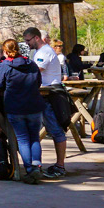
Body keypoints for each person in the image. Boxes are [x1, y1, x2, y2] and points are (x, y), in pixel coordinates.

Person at [0, 39, 49, 184]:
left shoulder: (6, 65)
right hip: (34, 106)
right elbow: (38, 82)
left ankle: (29, 170)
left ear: (5, 51)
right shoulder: (31, 64)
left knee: (23, 139)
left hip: (15, 107)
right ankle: (36, 165)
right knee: (34, 138)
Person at [23, 27, 69, 178]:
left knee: (56, 130)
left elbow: (36, 70)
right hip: (43, 94)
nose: (27, 43)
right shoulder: (40, 52)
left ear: (37, 38)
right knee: (48, 130)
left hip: (50, 94)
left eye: (28, 40)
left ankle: (60, 166)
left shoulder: (44, 52)